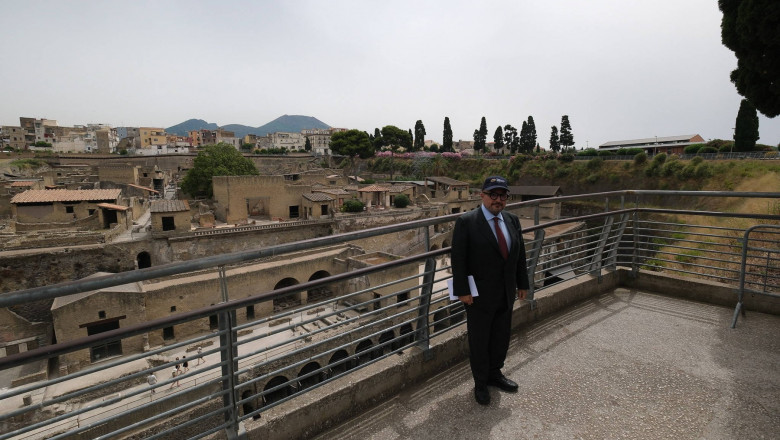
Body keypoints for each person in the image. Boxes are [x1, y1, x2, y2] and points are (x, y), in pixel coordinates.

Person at [451, 175, 529, 405]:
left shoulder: (513, 220)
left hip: (505, 291)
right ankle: (481, 383)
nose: (498, 199)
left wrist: (522, 282)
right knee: (480, 340)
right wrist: (462, 290)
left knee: (500, 337)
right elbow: (459, 259)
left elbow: (519, 255)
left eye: (502, 195)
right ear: (482, 195)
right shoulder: (467, 221)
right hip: (478, 296)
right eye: (493, 194)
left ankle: (496, 374)